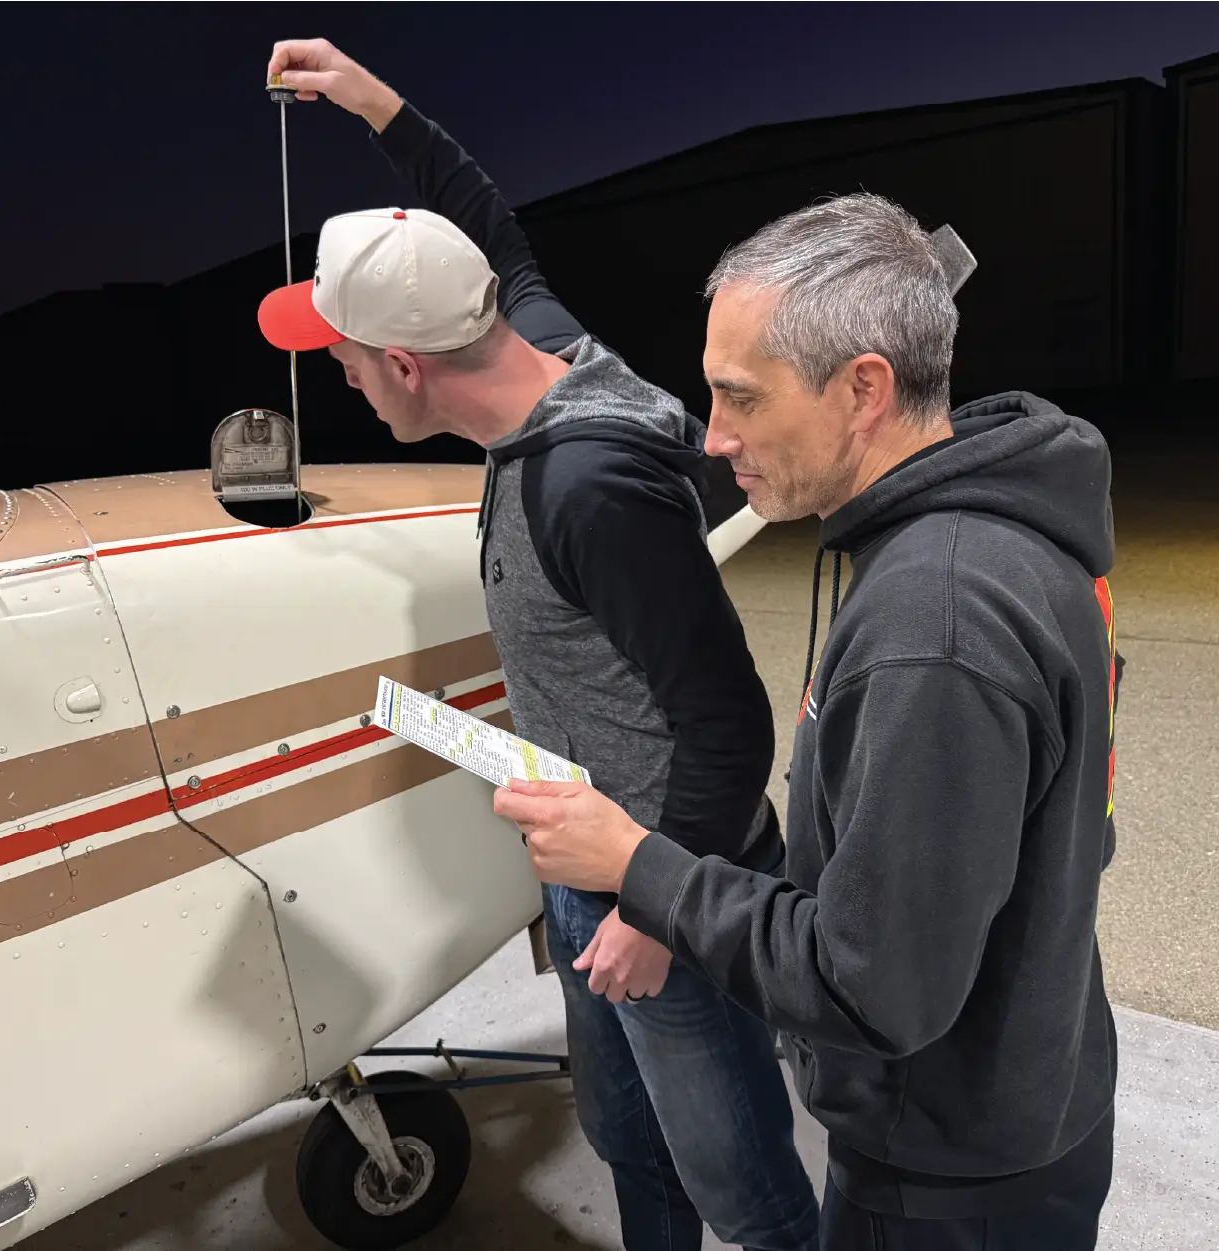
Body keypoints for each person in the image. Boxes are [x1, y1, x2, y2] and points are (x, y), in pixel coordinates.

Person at [259, 38, 823, 1251]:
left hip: (665, 888)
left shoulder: (588, 490)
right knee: (629, 1142)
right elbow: (488, 231)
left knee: (745, 1190)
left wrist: (653, 914)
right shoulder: (550, 348)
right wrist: (371, 104)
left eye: (347, 362)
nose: (346, 383)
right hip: (590, 868)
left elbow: (726, 719)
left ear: (406, 361)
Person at [497, 193, 1124, 1250]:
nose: (713, 436)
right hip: (1027, 1095)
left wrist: (635, 865)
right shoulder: (1005, 536)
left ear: (862, 389)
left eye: (740, 397)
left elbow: (872, 991)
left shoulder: (937, 620)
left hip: (943, 1174)